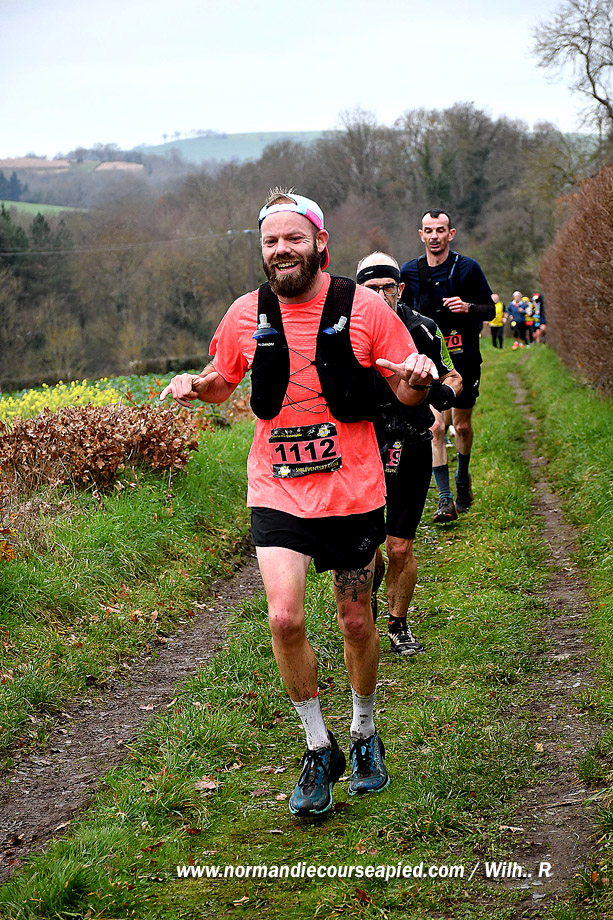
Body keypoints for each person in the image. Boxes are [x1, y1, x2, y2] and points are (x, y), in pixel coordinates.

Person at [161, 190, 439, 818]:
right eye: (270, 241)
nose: (281, 250)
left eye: (293, 238)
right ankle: (318, 746)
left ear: (319, 243)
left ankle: (364, 730)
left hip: (352, 490)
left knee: (355, 622)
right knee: (284, 619)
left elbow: (406, 385)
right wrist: (195, 386)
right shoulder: (245, 313)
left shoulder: (364, 307)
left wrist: (418, 378)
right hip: (277, 487)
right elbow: (223, 381)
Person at [356, 252, 462, 655]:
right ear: (358, 291)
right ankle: (366, 607)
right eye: (371, 288)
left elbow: (453, 374)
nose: (380, 295)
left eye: (387, 286)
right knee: (369, 551)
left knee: (400, 546)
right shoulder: (344, 333)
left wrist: (442, 396)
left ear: (400, 288)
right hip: (362, 446)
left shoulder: (423, 328)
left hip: (411, 442)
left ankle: (398, 624)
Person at [400, 209, 495, 524]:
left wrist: (468, 308)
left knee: (462, 426)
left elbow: (491, 310)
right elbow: (398, 312)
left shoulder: (468, 268)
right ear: (421, 235)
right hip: (428, 361)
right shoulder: (409, 272)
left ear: (450, 234)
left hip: (464, 358)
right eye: (428, 230)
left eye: (440, 230)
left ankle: (462, 479)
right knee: (436, 427)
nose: (434, 236)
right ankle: (444, 499)